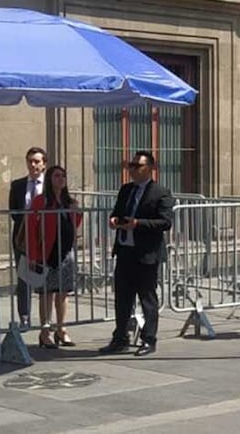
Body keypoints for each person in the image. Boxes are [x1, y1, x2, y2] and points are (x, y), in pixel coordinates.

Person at [99, 150, 173, 357]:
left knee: (147, 298)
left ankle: (149, 339)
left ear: (149, 168)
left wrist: (137, 224)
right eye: (130, 165)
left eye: (137, 166)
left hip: (146, 254)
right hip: (125, 251)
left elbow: (165, 222)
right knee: (122, 298)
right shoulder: (126, 190)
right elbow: (117, 212)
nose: (132, 169)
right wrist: (115, 220)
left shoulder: (161, 192)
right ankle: (120, 337)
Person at [26, 165, 82, 349]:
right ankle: (45, 331)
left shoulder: (69, 201)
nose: (61, 179)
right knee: (46, 293)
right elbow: (31, 230)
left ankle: (61, 328)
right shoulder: (40, 201)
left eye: (63, 176)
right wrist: (33, 255)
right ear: (50, 179)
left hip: (66, 252)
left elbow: (75, 224)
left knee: (63, 293)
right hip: (46, 252)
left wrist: (77, 211)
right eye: (57, 176)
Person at [9, 147, 46, 331]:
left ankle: (46, 320)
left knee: (46, 278)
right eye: (30, 161)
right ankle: (24, 316)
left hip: (46, 239)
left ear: (44, 164)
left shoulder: (51, 184)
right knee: (23, 278)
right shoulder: (17, 185)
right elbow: (14, 212)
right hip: (23, 238)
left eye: (37, 161)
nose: (33, 165)